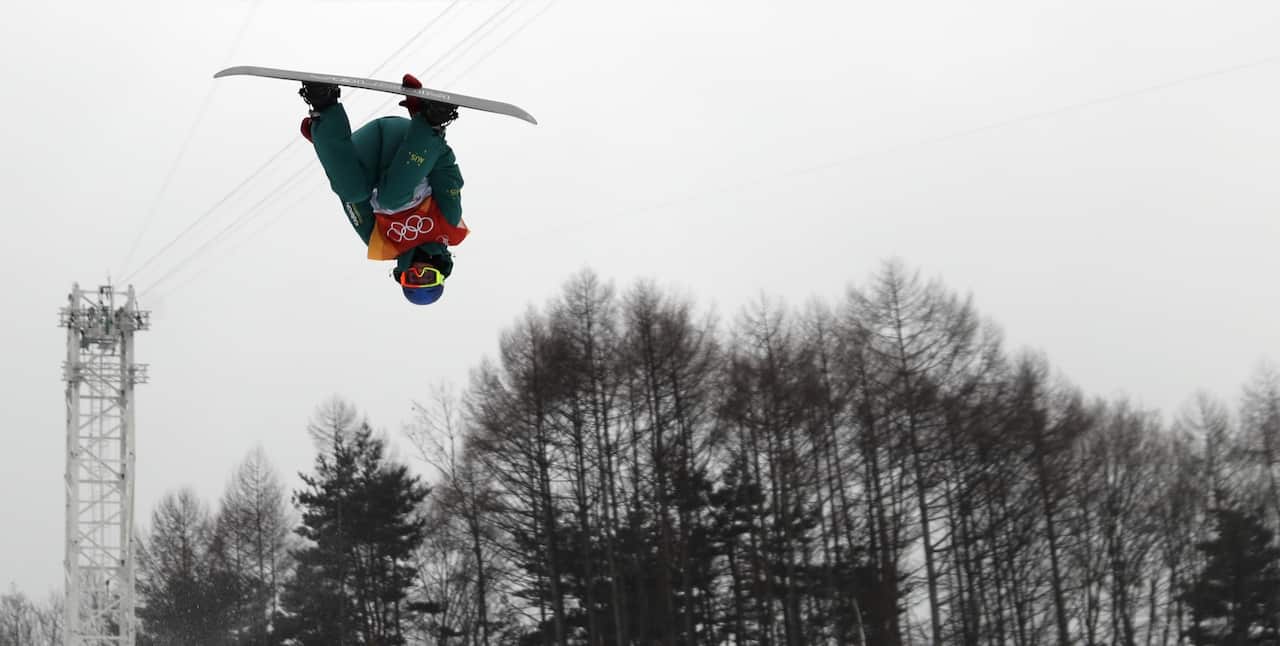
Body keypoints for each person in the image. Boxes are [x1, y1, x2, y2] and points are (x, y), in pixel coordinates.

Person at [298, 74, 467, 305]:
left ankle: (323, 104)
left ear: (402, 275)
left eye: (412, 278)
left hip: (368, 154)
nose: (418, 272)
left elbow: (350, 202)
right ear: (440, 272)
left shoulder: (382, 244)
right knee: (391, 199)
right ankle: (431, 118)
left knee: (352, 191)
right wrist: (429, 125)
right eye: (427, 277)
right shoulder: (448, 226)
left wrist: (327, 149)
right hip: (405, 142)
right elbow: (446, 171)